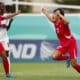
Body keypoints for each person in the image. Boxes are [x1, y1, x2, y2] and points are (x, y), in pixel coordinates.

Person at [41, 7, 80, 73]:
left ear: (59, 16)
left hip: (71, 43)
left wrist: (60, 15)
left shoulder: (63, 23)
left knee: (74, 65)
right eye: (54, 13)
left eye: (55, 14)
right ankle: (67, 58)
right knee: (54, 56)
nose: (53, 15)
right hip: (63, 44)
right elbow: (50, 19)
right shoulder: (55, 22)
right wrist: (45, 12)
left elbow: (68, 21)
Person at [0, 2, 21, 78]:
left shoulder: (4, 16)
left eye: (3, 7)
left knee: (5, 56)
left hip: (3, 39)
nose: (3, 8)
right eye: (1, 7)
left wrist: (16, 13)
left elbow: (6, 18)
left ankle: (7, 74)